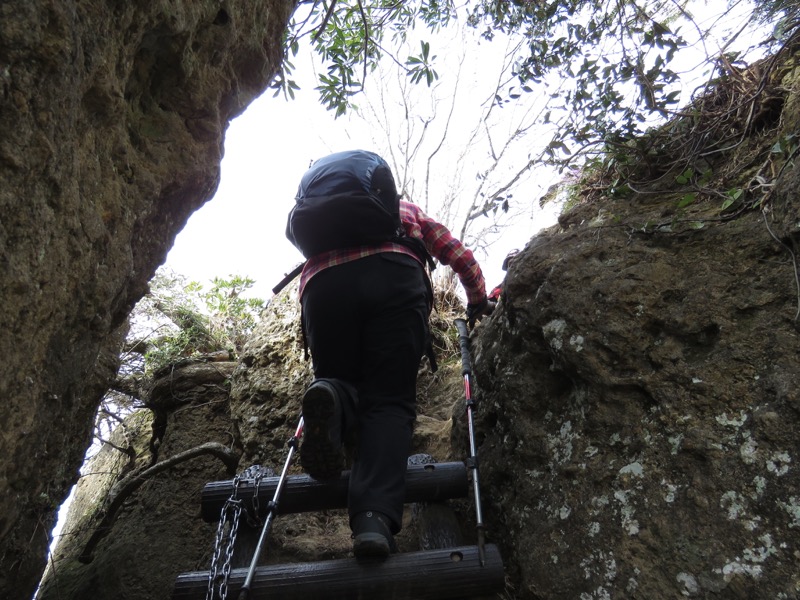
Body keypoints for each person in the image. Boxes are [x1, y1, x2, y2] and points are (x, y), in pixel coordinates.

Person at [292, 151, 491, 560]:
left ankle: (330, 393)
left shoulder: (324, 222)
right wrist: (476, 301)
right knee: (387, 401)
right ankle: (373, 520)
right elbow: (459, 256)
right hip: (395, 279)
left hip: (323, 288)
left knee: (340, 379)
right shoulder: (406, 210)